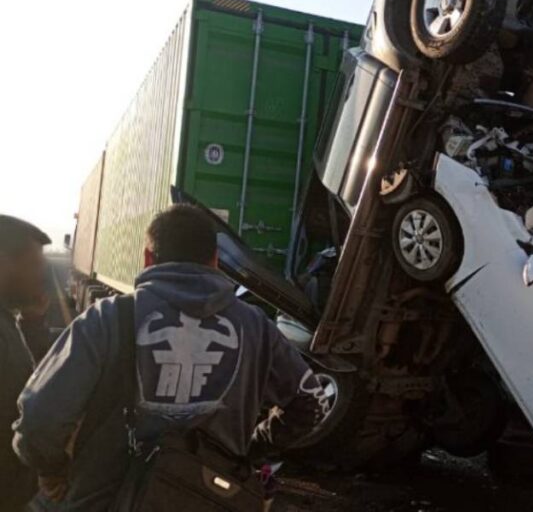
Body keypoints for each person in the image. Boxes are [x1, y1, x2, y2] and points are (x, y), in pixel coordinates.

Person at [13, 205, 328, 511]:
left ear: (148, 258)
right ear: (215, 261)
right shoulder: (258, 328)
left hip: (109, 499)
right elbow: (313, 402)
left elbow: (39, 420)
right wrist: (250, 451)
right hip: (213, 498)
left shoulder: (108, 318)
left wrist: (52, 469)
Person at [0, 215, 53, 511]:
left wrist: (33, 324)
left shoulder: (7, 321)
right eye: (34, 266)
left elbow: (29, 379)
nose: (41, 278)